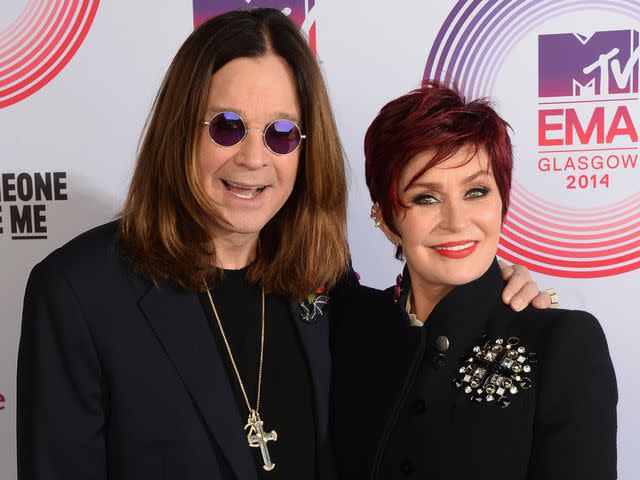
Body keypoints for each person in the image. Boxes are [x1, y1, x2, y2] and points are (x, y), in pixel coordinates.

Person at [17, 9, 552, 480]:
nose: (254, 158)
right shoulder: (77, 293)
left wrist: (496, 292)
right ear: (179, 130)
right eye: (227, 127)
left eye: (280, 133)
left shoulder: (321, 280)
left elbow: (419, 325)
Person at [331, 82, 617, 480]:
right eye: (426, 198)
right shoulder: (348, 326)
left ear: (503, 201)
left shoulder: (563, 342)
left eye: (476, 191)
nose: (456, 221)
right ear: (385, 218)